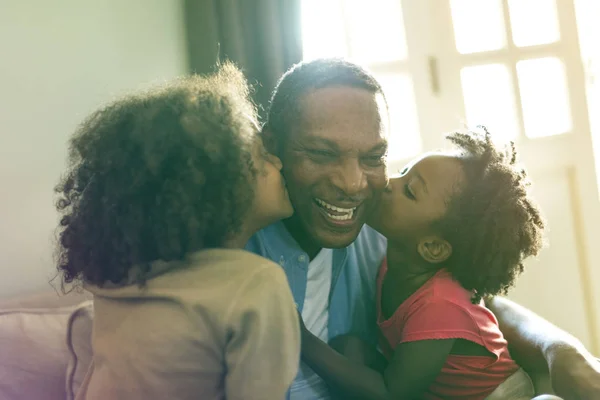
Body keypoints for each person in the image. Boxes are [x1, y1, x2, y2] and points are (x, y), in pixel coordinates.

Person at [246, 58, 600, 400]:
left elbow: (473, 300)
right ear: (271, 146)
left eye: (373, 158)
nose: (355, 184)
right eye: (323, 153)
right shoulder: (231, 243)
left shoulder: (379, 233)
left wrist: (562, 350)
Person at [54, 63, 300, 400]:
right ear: (219, 186)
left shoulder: (117, 282)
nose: (280, 164)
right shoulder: (255, 283)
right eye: (262, 157)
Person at [298, 128, 548, 399]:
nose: (386, 182)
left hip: (501, 397)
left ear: (432, 247)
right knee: (351, 347)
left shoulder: (439, 305)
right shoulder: (395, 264)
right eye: (403, 171)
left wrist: (305, 341)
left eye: (409, 191)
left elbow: (390, 393)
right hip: (435, 391)